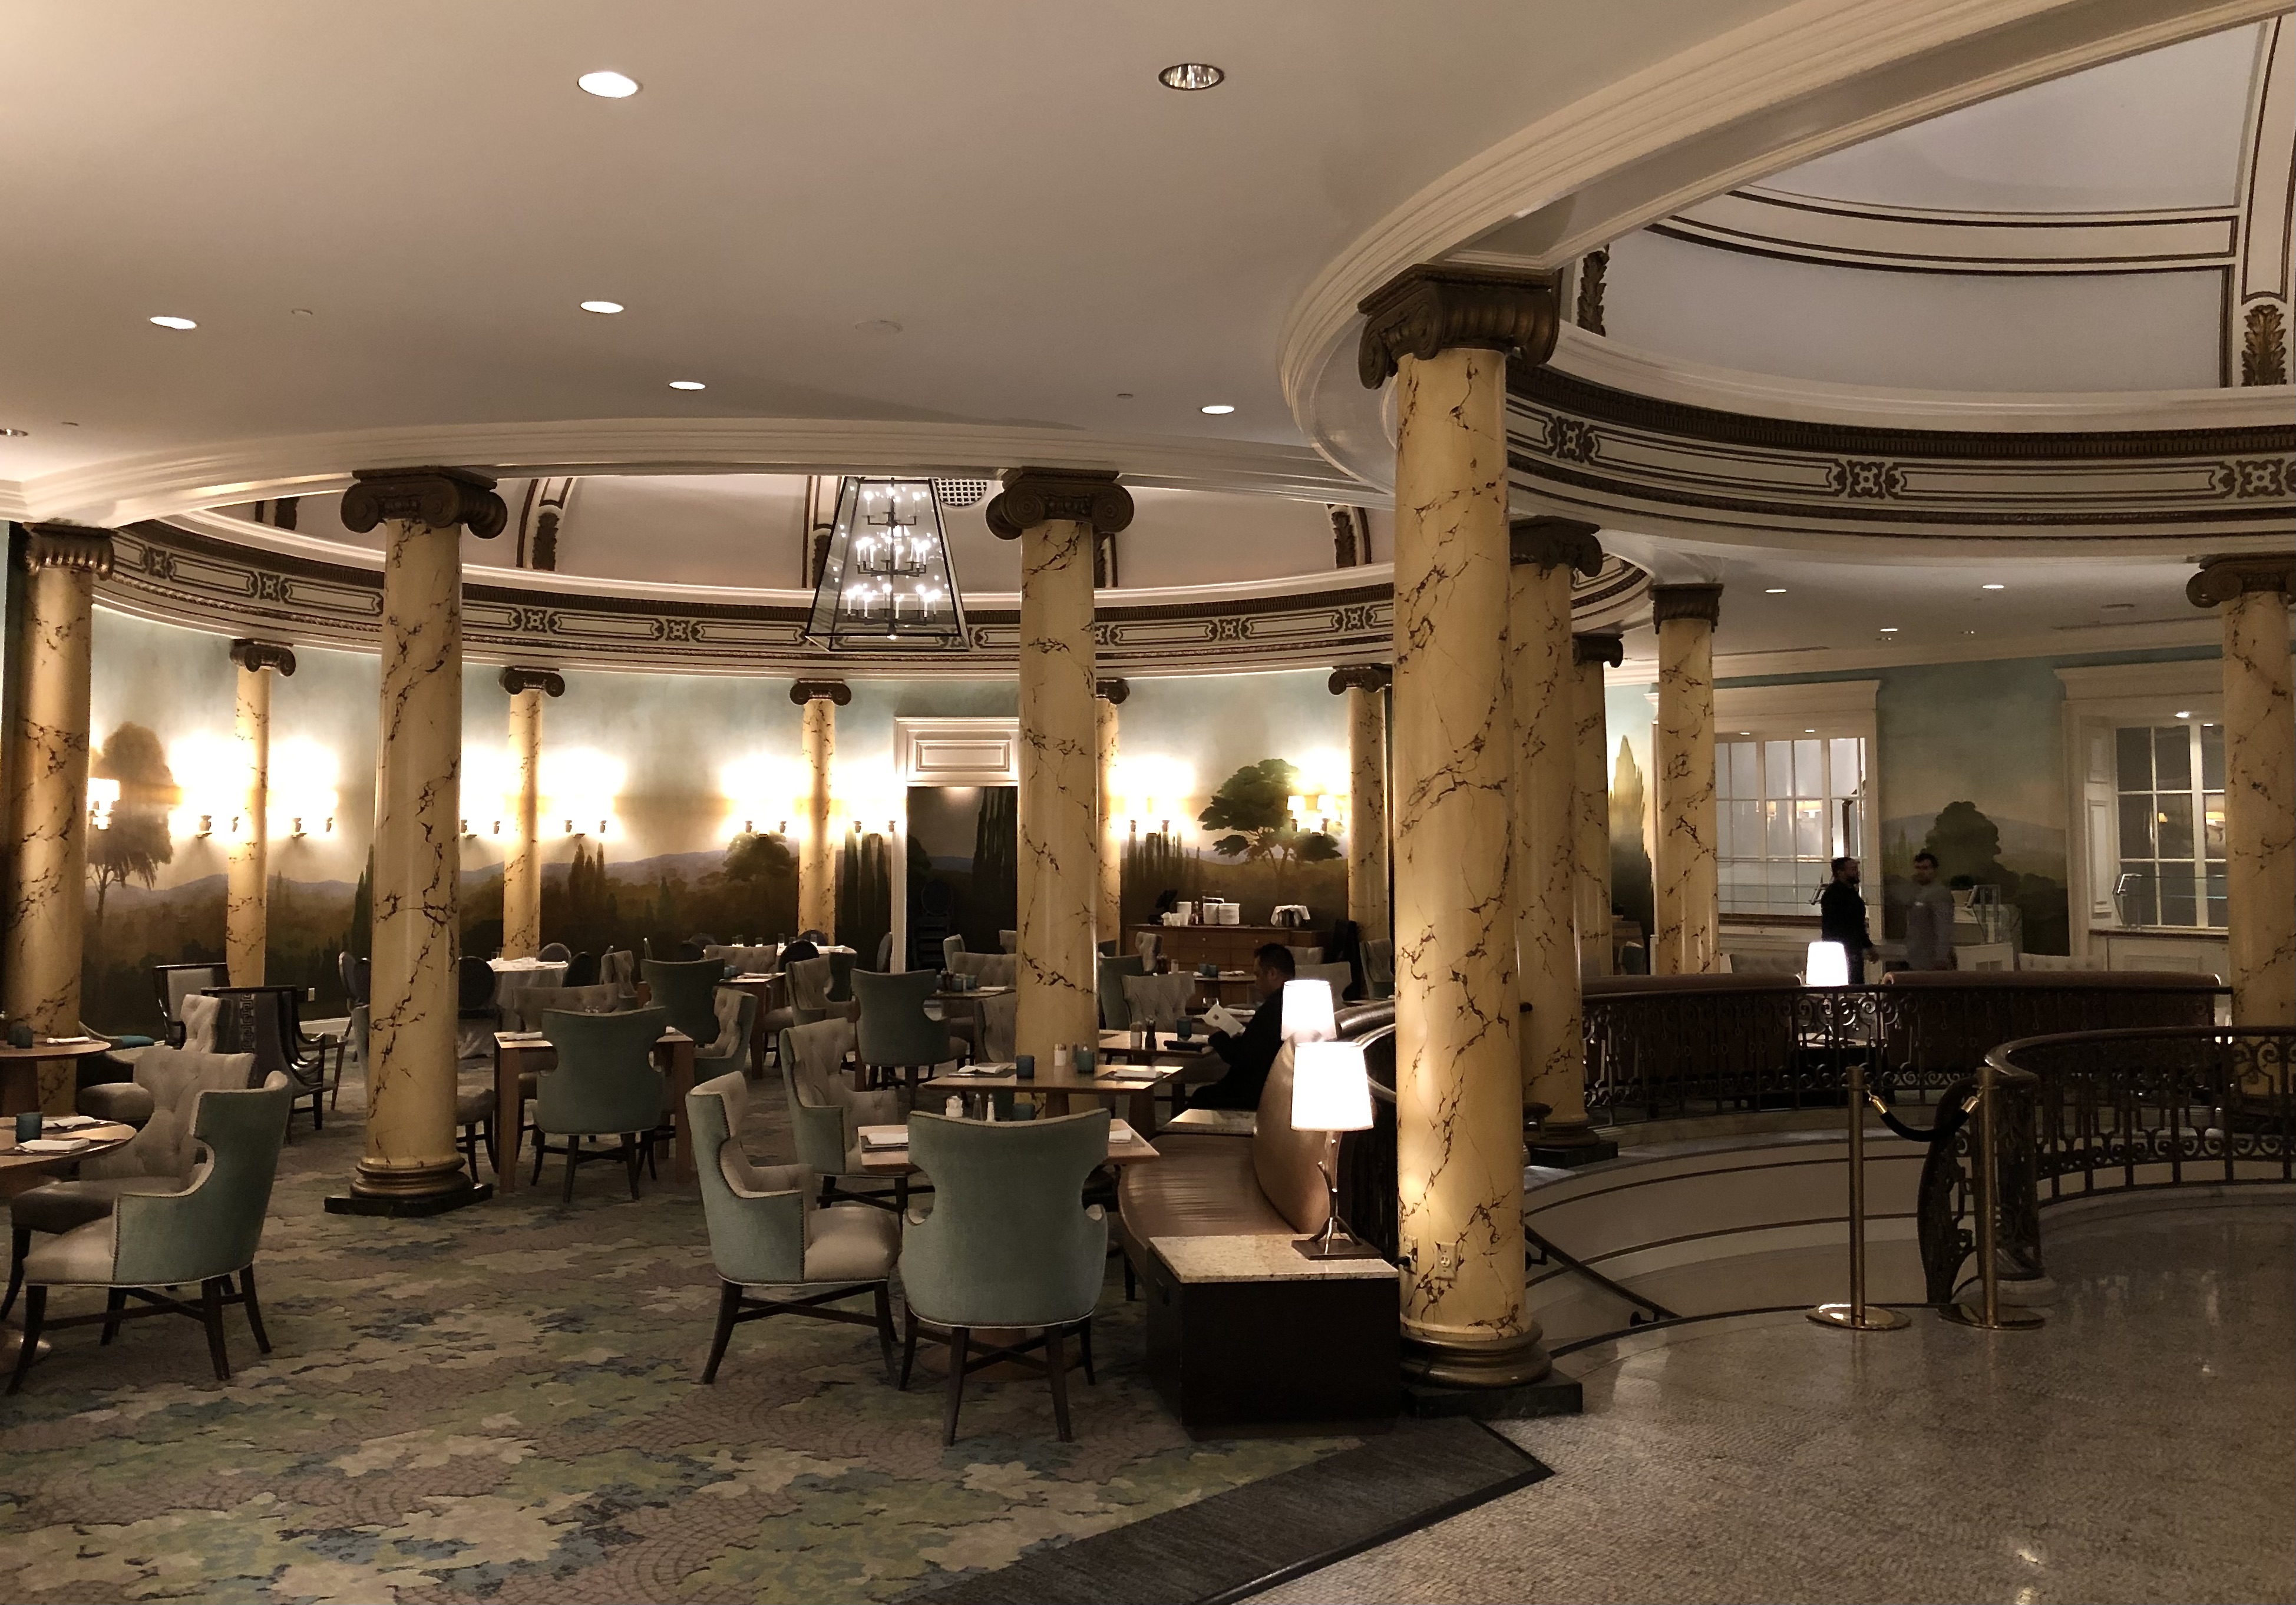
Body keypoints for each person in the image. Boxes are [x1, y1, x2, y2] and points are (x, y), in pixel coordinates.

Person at [1188, 944, 1296, 1110]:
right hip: (1282, 1089)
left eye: (1258, 975)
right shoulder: (1296, 1003)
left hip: (1254, 1094)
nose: (1256, 982)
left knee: (1200, 1097)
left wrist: (1217, 1035)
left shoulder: (1272, 1010)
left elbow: (1239, 1058)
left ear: (1273, 974)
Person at [1818, 856, 1879, 984]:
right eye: (1853, 869)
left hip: (1847, 946)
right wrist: (1866, 945)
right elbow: (1853, 924)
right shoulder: (1838, 895)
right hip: (1846, 947)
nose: (1857, 872)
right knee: (1852, 982)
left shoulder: (1844, 893)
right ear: (1841, 873)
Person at [1902, 851, 1955, 971]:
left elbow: (1944, 928)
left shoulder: (1939, 893)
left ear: (1934, 870)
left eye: (1925, 868)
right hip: (1915, 954)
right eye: (1918, 868)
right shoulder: (1915, 891)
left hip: (1931, 958)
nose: (1921, 872)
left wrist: (1941, 957)